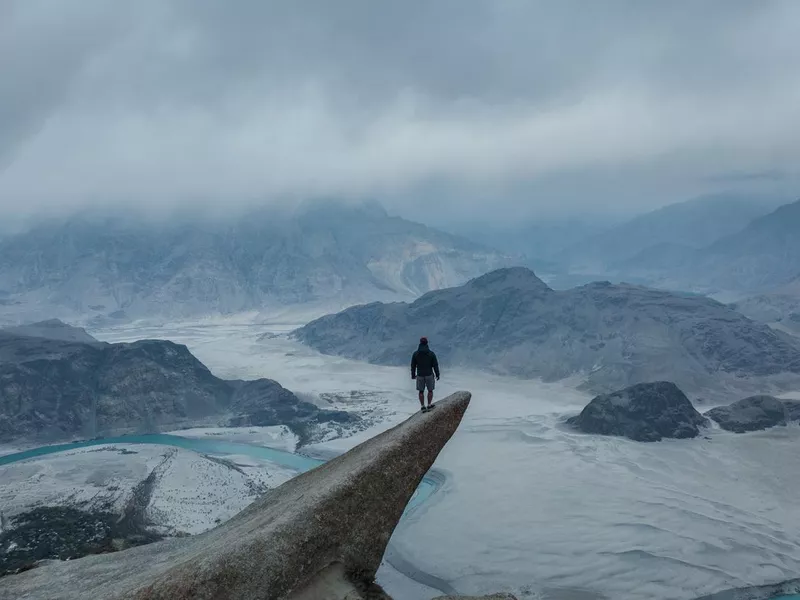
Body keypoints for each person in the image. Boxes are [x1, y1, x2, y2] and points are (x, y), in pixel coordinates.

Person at [411, 336, 440, 412]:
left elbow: (413, 365)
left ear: (420, 343)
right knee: (430, 390)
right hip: (429, 374)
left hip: (420, 375)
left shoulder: (416, 354)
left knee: (421, 391)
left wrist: (413, 375)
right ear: (427, 343)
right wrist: (437, 374)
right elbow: (435, 365)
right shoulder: (431, 354)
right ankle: (429, 405)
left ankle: (422, 406)